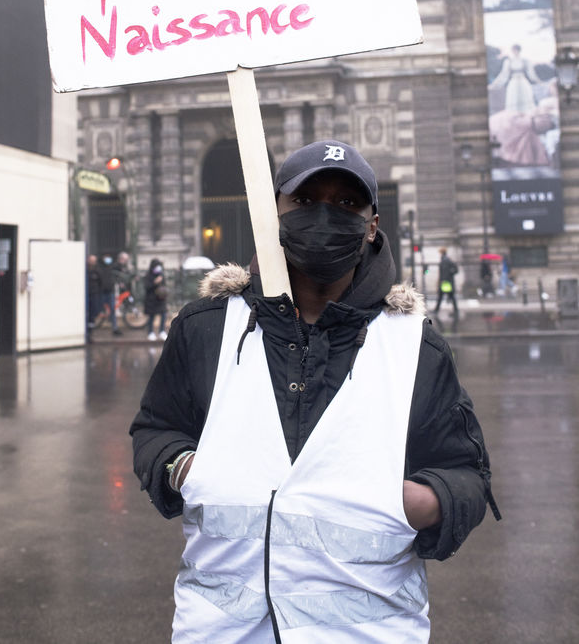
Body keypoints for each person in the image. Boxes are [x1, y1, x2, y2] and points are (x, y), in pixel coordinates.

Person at [130, 139, 500, 642]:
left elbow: (466, 474)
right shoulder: (206, 328)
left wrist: (418, 501)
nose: (325, 216)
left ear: (372, 225)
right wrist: (184, 469)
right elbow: (157, 428)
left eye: (346, 203)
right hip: (221, 630)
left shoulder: (415, 346)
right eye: (305, 201)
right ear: (275, 214)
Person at [144, 258, 168, 341]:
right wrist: (155, 282)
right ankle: (150, 332)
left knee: (163, 315)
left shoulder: (161, 275)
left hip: (160, 299)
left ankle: (162, 331)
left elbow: (164, 285)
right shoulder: (148, 275)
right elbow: (146, 287)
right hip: (151, 300)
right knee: (151, 317)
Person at [433, 247, 459, 319]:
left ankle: (436, 310)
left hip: (445, 282)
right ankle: (455, 310)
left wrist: (444, 279)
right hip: (446, 281)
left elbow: (446, 271)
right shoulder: (446, 259)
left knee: (443, 296)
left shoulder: (445, 260)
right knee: (447, 296)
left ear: (442, 253)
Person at [99, 253, 121, 335]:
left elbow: (118, 270)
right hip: (102, 292)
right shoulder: (100, 268)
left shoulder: (112, 267)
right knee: (99, 309)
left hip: (110, 291)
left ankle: (115, 328)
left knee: (112, 309)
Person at [85, 253, 102, 339]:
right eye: (91, 260)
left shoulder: (97, 271)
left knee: (92, 315)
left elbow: (100, 282)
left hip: (94, 294)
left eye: (94, 261)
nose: (92, 262)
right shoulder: (84, 270)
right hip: (85, 295)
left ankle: (90, 332)